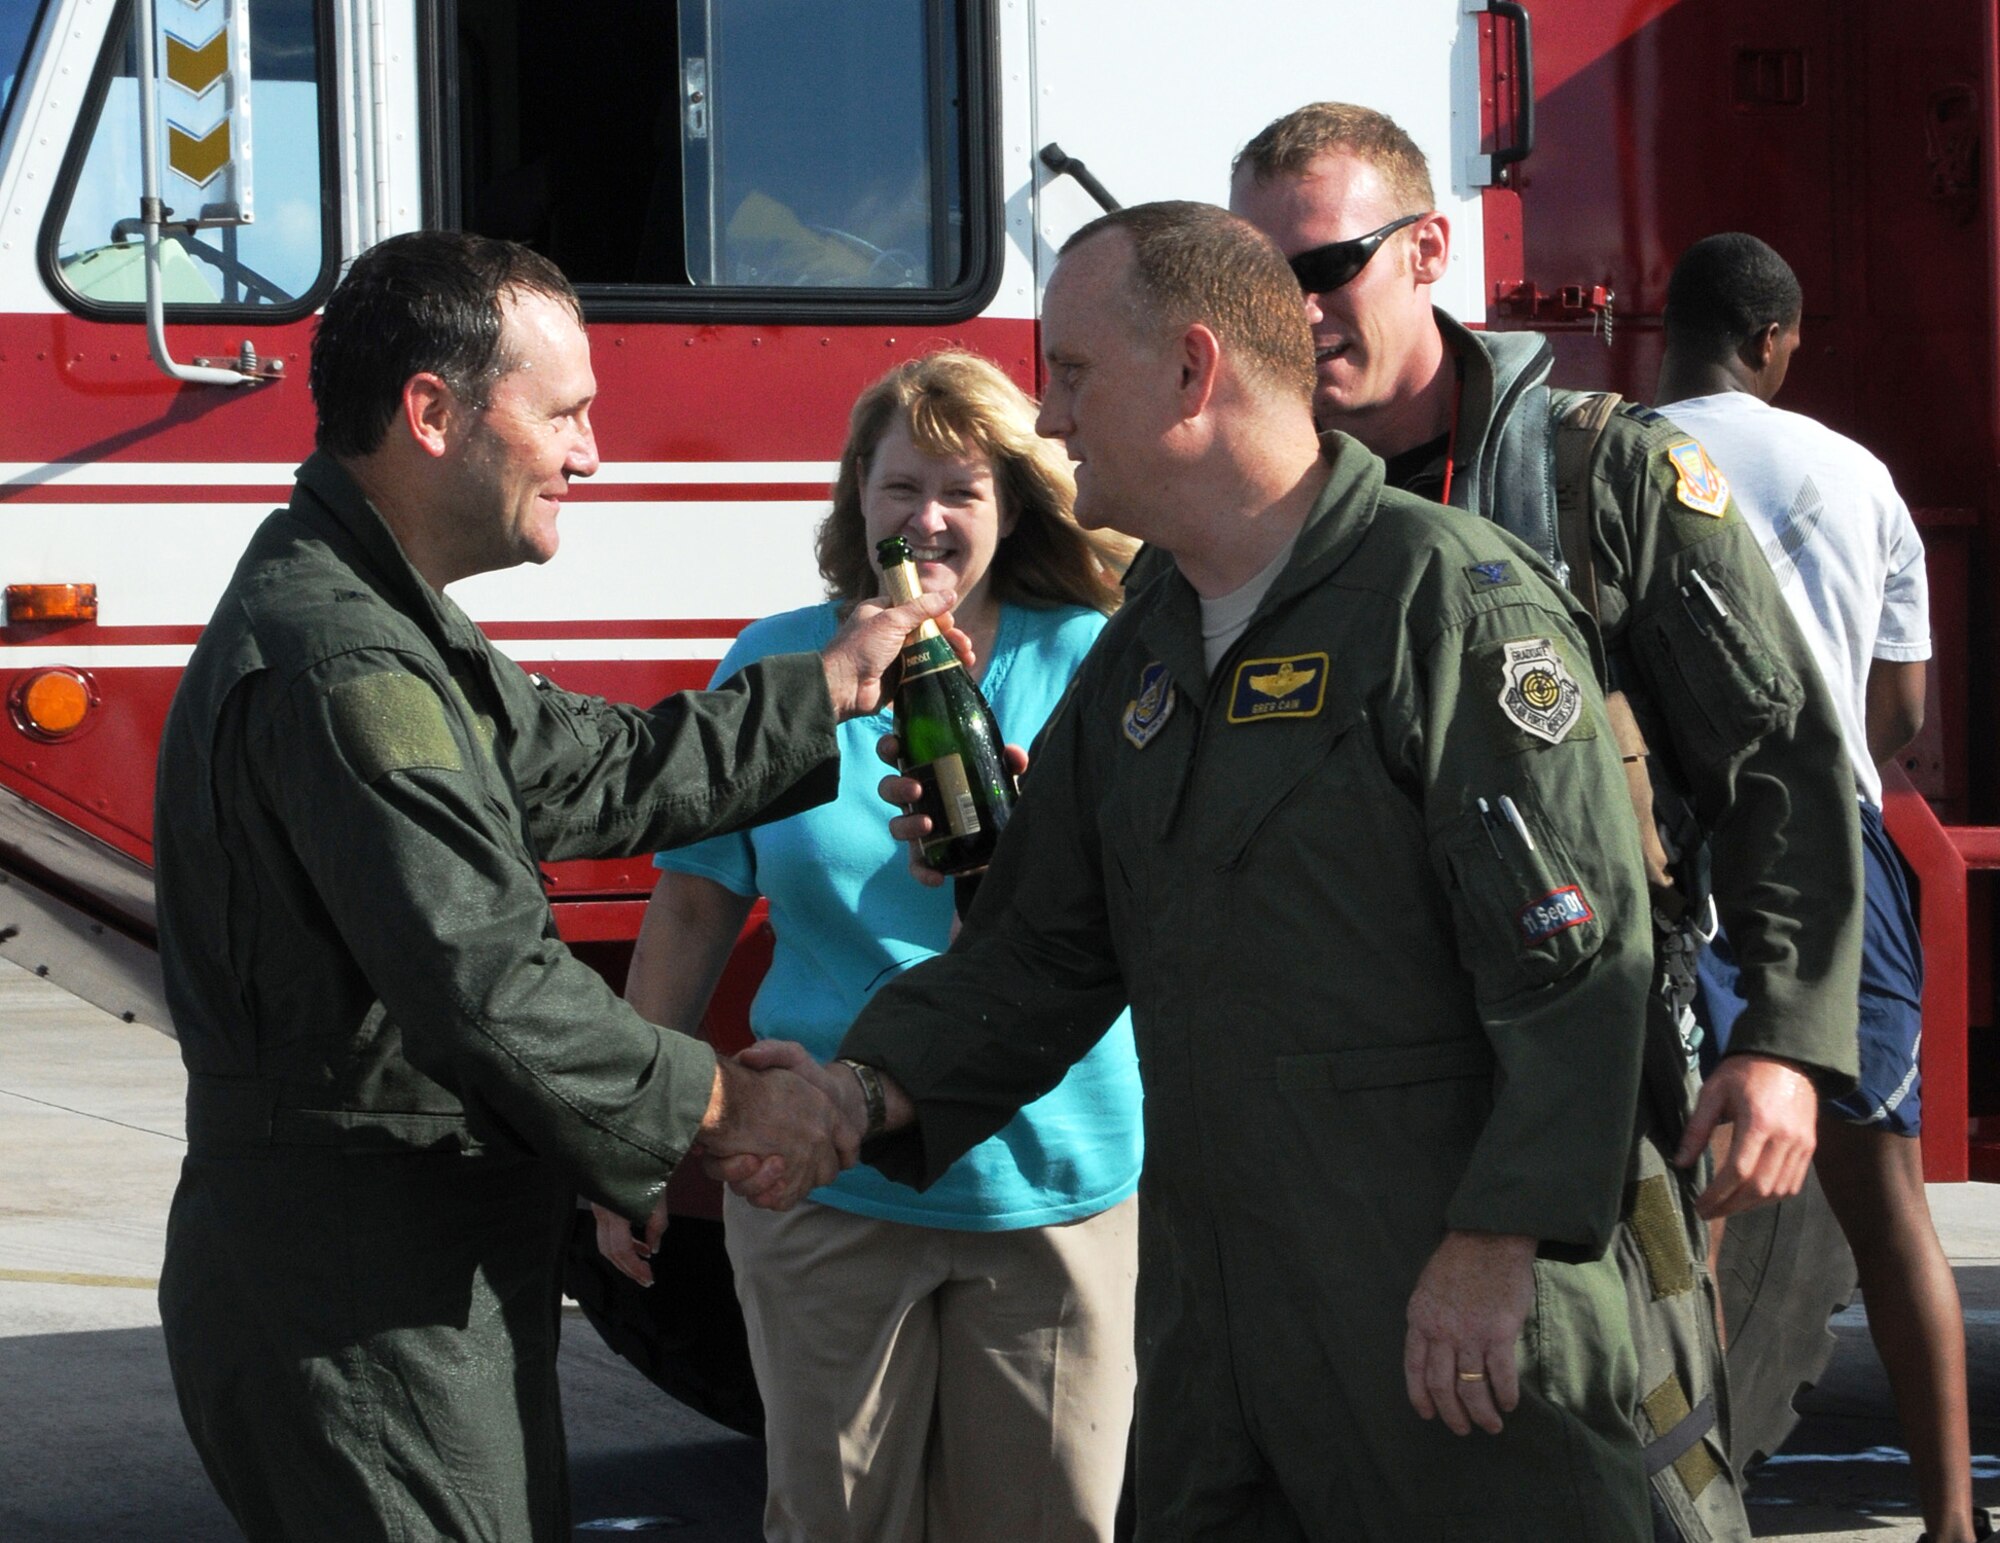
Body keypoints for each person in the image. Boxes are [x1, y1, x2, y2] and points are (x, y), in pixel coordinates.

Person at [775, 200, 1662, 1540]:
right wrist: (856, 1091)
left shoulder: (1444, 603)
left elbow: (1580, 967)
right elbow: (1038, 954)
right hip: (1219, 1349)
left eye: (1071, 372)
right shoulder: (1140, 653)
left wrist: (1500, 1242)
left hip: (1445, 1334)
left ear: (1193, 370)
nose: (1051, 418)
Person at [151, 230, 954, 1543]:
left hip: (407, 1271)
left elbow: (592, 770)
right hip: (361, 1297)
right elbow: (491, 988)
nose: (592, 452)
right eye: (568, 412)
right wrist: (731, 1099)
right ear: (431, 410)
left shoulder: (381, 611)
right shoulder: (343, 662)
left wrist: (832, 681)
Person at [1225, 102, 1866, 1542]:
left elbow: (1783, 767)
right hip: (1332, 1110)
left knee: (1633, 1482)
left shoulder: (1604, 480)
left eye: (1323, 267)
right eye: (1257, 282)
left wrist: (1785, 1041)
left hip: (1585, 1090)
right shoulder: (1248, 515)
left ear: (1428, 249)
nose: (1293, 311)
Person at [592, 350, 1143, 1542]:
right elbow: (691, 909)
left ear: (1015, 505)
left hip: (1050, 1188)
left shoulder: (1095, 656)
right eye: (899, 488)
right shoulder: (780, 664)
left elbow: (1158, 907)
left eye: (962, 489)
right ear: (854, 498)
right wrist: (624, 1138)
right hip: (820, 1177)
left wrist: (1032, 836)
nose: (927, 519)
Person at [1657, 232, 1989, 1543]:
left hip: (1672, 850)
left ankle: (1693, 1501)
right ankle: (1954, 1519)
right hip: (1834, 846)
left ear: (1666, 336)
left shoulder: (1598, 450)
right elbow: (1898, 707)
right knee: (1886, 1193)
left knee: (1698, 1203)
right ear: (1778, 340)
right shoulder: (1856, 472)